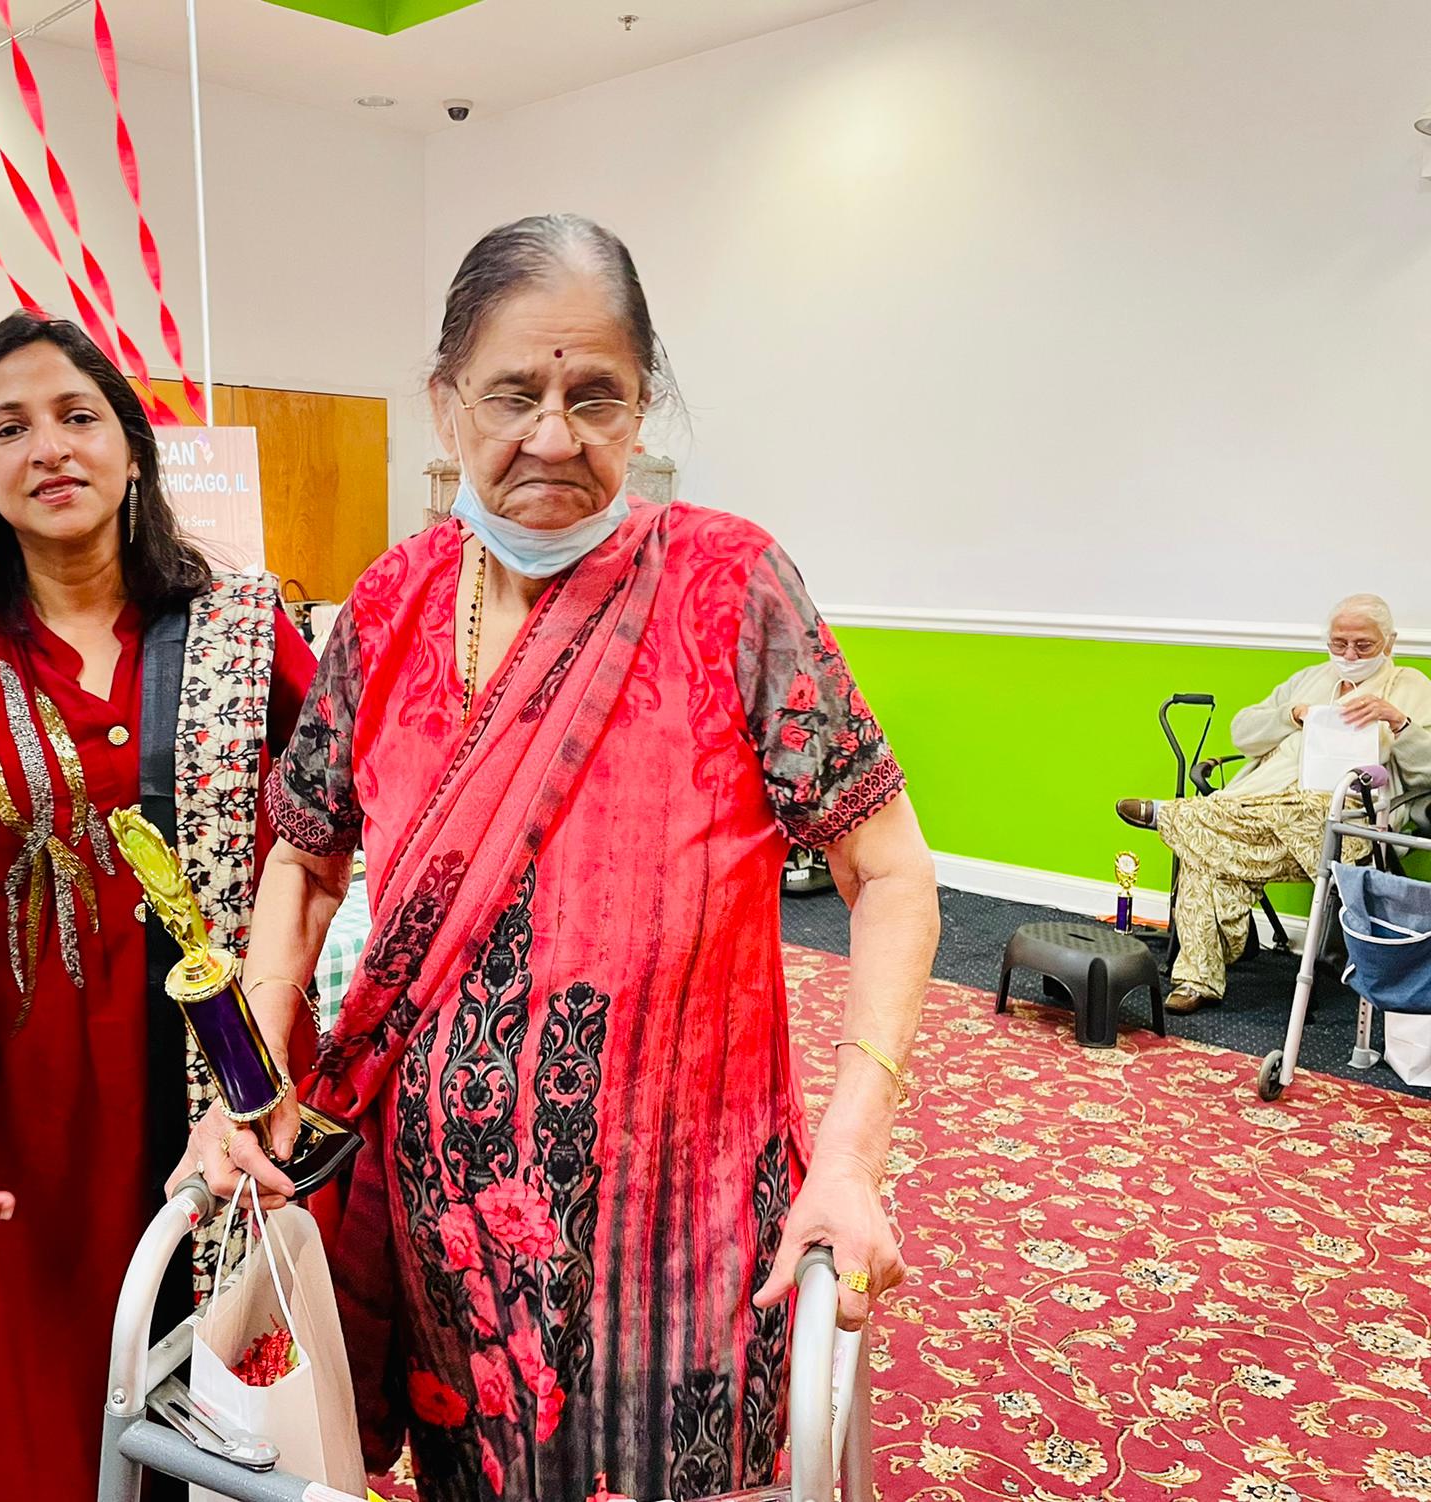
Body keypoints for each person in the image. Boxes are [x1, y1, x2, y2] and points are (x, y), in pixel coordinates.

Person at [174, 213, 940, 1502]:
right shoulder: (390, 602)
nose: (552, 435)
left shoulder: (730, 586)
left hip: (688, 1245)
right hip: (451, 1255)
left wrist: (854, 1150)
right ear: (444, 402)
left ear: (643, 407)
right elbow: (301, 860)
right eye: (511, 394)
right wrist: (245, 1086)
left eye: (596, 397)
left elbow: (894, 877)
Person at [0, 312, 314, 1501]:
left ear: (131, 447)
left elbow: (337, 817)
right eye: (8, 428)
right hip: (41, 1132)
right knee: (48, 1429)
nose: (50, 447)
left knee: (246, 1405)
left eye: (78, 416)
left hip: (235, 1094)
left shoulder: (244, 630)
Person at [1118, 593, 1431, 1014]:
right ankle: (1195, 980)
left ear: (1389, 642)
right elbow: (1243, 731)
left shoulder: (1411, 688)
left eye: (1363, 645)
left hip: (1345, 820)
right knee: (1205, 850)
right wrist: (1291, 715)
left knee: (1221, 829)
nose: (1349, 655)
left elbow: (1427, 773)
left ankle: (1175, 817)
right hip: (1256, 812)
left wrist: (1398, 721)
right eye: (1339, 643)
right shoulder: (1309, 680)